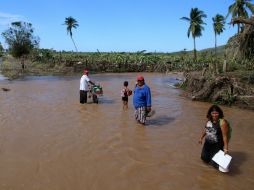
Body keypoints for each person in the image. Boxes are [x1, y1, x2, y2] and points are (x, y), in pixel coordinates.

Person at [198, 105, 230, 170]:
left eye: (216, 113)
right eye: (213, 113)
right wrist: (201, 138)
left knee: (215, 165)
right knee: (204, 158)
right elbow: (206, 130)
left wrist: (226, 148)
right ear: (210, 113)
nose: (214, 115)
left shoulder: (222, 122)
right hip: (207, 144)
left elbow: (225, 136)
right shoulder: (209, 121)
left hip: (217, 145)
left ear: (219, 113)